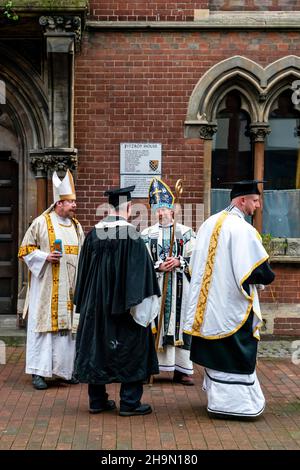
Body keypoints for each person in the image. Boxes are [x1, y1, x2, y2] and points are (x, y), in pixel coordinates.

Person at [184, 180, 275, 418]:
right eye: (255, 201)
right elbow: (260, 271)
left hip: (209, 309)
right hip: (231, 308)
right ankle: (237, 407)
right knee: (236, 352)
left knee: (216, 352)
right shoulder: (243, 230)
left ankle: (218, 401)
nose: (257, 206)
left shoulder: (208, 223)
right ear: (242, 200)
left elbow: (193, 268)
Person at [74, 186, 161, 416]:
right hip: (124, 307)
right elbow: (141, 276)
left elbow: (82, 273)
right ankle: (129, 402)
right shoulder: (132, 236)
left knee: (97, 347)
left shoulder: (94, 234)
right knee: (131, 347)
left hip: (96, 306)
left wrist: (85, 302)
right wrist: (144, 308)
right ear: (129, 207)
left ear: (110, 208)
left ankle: (97, 401)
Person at [18, 170, 85, 390]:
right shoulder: (40, 223)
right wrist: (45, 257)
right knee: (44, 330)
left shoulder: (76, 226)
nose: (74, 205)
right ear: (59, 203)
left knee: (67, 331)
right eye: (71, 202)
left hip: (70, 287)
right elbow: (25, 250)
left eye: (74, 201)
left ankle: (64, 371)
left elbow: (83, 253)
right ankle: (38, 372)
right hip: (46, 286)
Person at [141, 178, 196, 385]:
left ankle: (182, 370)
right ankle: (149, 367)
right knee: (153, 322)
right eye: (157, 209)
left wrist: (180, 261)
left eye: (164, 209)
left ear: (172, 210)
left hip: (180, 286)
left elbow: (198, 259)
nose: (161, 213)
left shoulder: (186, 233)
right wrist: (157, 266)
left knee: (181, 323)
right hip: (157, 286)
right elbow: (142, 261)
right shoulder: (147, 234)